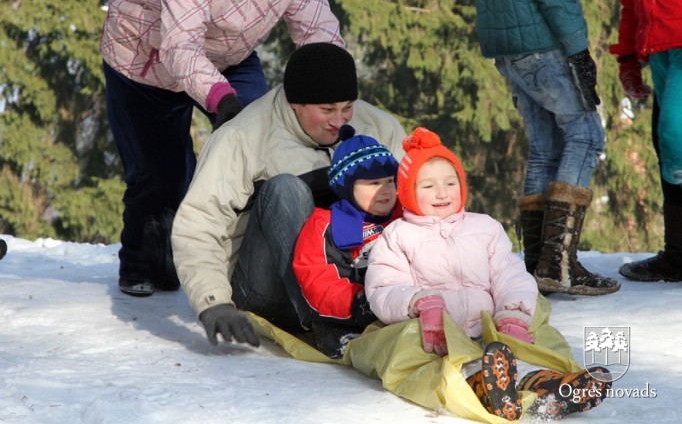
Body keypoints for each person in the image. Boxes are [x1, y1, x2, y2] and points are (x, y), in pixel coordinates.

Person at [99, 0, 345, 297]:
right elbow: (180, 43)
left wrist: (336, 86)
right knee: (161, 176)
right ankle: (140, 263)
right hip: (145, 58)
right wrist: (222, 100)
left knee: (262, 145)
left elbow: (315, 27)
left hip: (228, 52)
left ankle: (253, 265)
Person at [365, 127, 611, 421]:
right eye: (428, 186)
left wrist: (512, 313)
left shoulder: (484, 227)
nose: (442, 193)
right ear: (408, 191)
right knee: (448, 366)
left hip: (492, 327)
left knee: (527, 341)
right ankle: (484, 388)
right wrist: (418, 301)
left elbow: (510, 274)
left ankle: (550, 386)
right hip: (439, 336)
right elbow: (383, 287)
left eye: (450, 182)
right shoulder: (398, 235)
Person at [171, 43, 406, 349]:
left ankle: (362, 304)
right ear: (295, 103)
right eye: (327, 110)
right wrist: (213, 302)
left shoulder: (378, 127)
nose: (340, 120)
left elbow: (418, 196)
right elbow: (200, 222)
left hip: (357, 280)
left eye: (347, 106)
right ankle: (328, 323)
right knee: (285, 189)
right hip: (268, 286)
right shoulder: (243, 137)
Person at [470, 0, 619, 296]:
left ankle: (537, 266)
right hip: (541, 42)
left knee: (545, 146)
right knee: (586, 135)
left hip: (507, 47)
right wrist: (578, 48)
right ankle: (561, 265)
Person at [611, 0, 682, 282]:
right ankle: (677, 254)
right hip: (659, 48)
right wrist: (627, 56)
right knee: (666, 147)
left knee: (678, 140)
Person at [292, 125, 401, 359]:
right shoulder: (328, 225)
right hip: (349, 312)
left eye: (390, 181)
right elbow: (317, 277)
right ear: (347, 187)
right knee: (343, 336)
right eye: (373, 184)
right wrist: (356, 303)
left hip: (400, 300)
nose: (385, 190)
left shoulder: (405, 216)